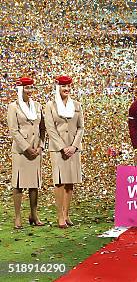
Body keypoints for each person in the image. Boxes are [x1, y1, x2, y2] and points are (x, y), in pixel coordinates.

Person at [44, 76, 85, 228]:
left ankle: (67, 214)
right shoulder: (50, 105)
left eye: (68, 86)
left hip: (74, 149)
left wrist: (74, 146)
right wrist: (62, 147)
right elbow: (50, 128)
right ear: (58, 87)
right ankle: (60, 216)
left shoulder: (77, 105)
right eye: (63, 86)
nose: (66, 89)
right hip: (58, 149)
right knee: (60, 182)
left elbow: (81, 127)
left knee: (70, 182)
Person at [7, 77, 45, 229]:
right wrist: (26, 147)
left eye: (31, 88)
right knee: (18, 184)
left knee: (34, 184)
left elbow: (43, 128)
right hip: (21, 151)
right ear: (20, 89)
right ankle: (17, 217)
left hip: (36, 150)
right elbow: (13, 130)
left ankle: (34, 215)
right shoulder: (13, 107)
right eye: (26, 88)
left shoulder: (37, 106)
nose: (29, 91)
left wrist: (40, 146)